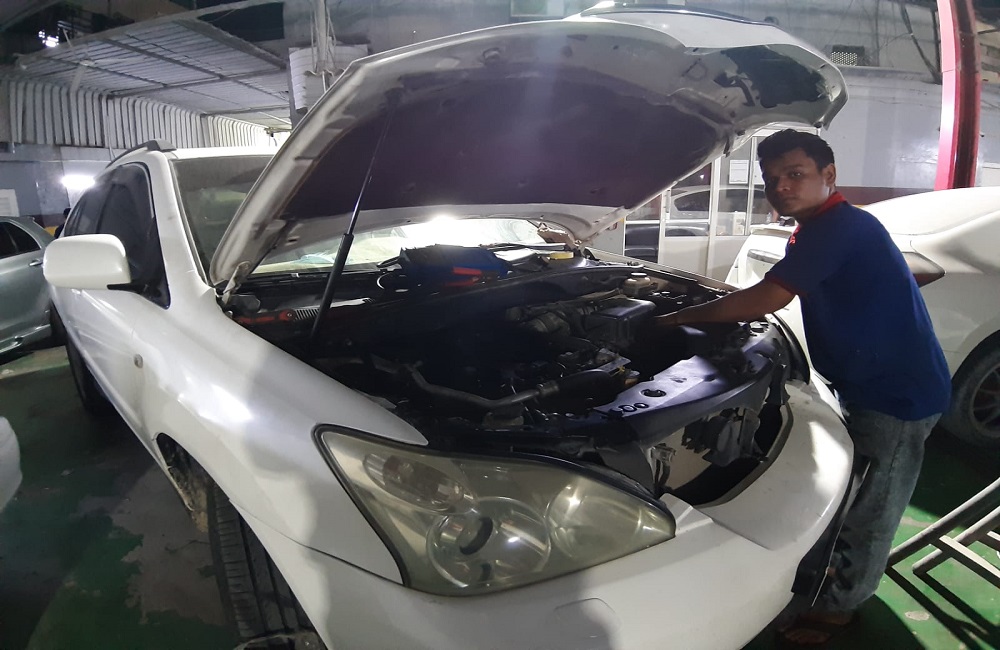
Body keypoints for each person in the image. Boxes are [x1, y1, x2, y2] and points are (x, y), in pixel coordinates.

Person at [655, 129, 951, 646]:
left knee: (871, 508)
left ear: (828, 175)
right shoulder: (818, 227)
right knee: (855, 493)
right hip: (864, 382)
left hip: (895, 395)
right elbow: (775, 287)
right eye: (772, 179)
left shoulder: (838, 228)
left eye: (795, 175)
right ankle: (832, 581)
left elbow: (768, 297)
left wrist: (677, 318)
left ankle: (839, 608)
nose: (782, 188)